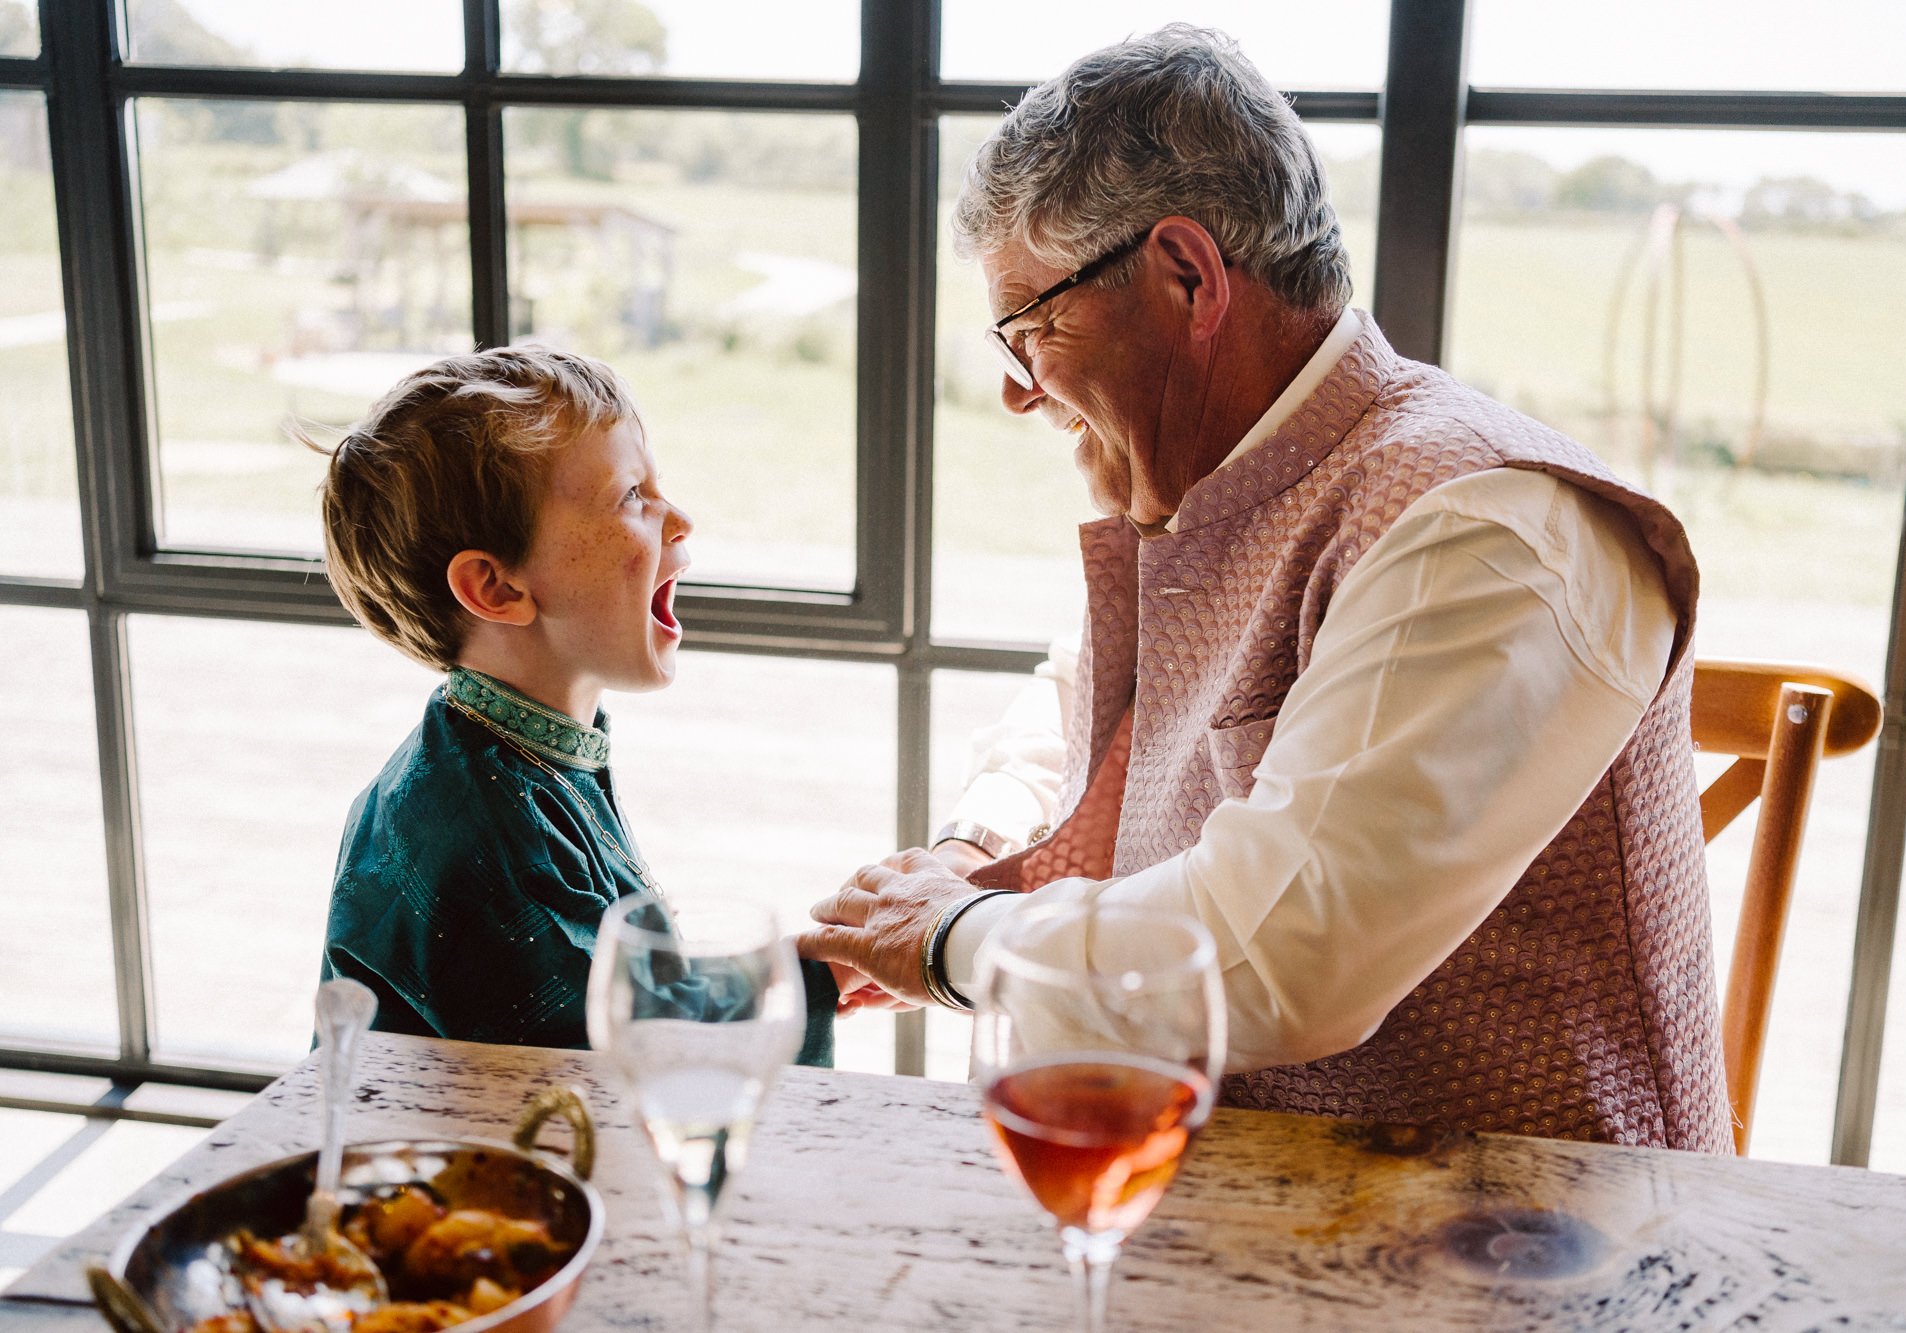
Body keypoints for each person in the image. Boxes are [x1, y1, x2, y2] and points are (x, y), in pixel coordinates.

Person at [804, 25, 1729, 1150]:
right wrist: (966, 850)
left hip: (1524, 1247)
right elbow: (1087, 700)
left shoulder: (1488, 532)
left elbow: (1285, 958)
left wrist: (958, 941)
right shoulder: (1220, 479)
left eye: (1030, 327)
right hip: (1247, 1198)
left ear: (1187, 275)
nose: (1016, 390)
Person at [315, 346, 835, 1062]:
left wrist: (809, 967)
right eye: (630, 496)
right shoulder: (483, 833)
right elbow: (623, 1067)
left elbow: (614, 977)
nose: (678, 518)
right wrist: (809, 982)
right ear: (496, 588)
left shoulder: (527, 754)